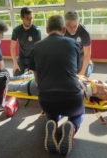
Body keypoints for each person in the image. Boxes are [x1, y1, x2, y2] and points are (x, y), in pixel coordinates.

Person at [29, 15, 84, 156]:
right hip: (72, 99)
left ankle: (52, 123)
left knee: (51, 112)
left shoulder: (35, 46)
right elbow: (75, 71)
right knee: (80, 113)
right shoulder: (73, 43)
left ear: (47, 30)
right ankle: (72, 126)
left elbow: (37, 80)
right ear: (64, 30)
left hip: (47, 100)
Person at [8, 74, 107, 98]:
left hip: (41, 86)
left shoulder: (87, 90)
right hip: (46, 78)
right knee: (24, 76)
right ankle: (6, 78)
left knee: (16, 86)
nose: (100, 82)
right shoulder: (87, 84)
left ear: (98, 94)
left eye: (103, 87)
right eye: (103, 82)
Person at [11, 7, 41, 76]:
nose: (30, 21)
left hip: (33, 59)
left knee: (31, 77)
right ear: (22, 18)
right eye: (27, 19)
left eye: (31, 18)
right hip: (22, 59)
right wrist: (15, 64)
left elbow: (38, 50)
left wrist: (33, 66)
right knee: (15, 76)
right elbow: (12, 48)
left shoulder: (36, 30)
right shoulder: (16, 30)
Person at [64, 10, 93, 77]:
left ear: (78, 22)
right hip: (68, 53)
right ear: (65, 24)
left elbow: (87, 55)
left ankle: (90, 65)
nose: (72, 29)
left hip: (81, 54)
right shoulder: (62, 31)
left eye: (74, 26)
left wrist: (81, 74)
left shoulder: (85, 33)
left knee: (82, 75)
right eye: (69, 26)